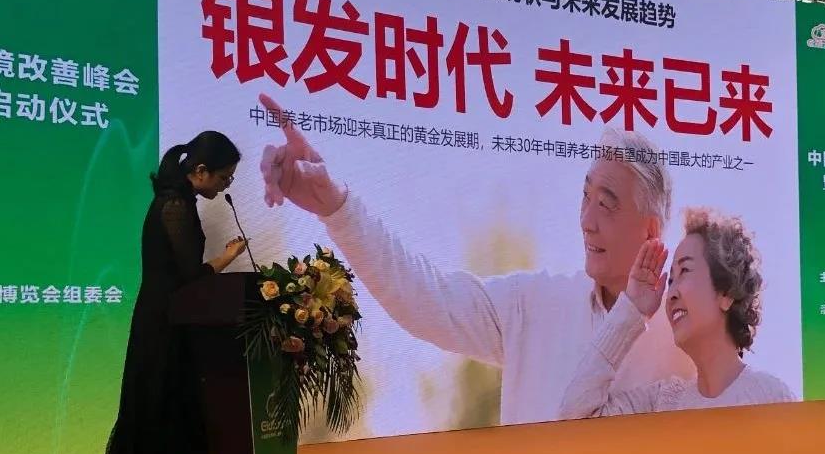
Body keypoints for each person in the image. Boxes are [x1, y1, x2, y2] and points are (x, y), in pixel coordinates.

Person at [258, 93, 694, 425]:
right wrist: (336, 207)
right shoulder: (533, 306)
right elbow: (426, 299)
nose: (586, 221)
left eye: (607, 204)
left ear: (651, 230)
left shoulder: (689, 336)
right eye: (585, 197)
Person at [103, 131, 248, 454]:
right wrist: (225, 259)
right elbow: (187, 277)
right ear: (200, 171)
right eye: (224, 177)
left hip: (174, 325)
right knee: (150, 431)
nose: (226, 185)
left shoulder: (182, 201)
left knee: (167, 431)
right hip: (159, 328)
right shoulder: (173, 205)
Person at [558, 208, 795, 418]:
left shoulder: (770, 398)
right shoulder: (664, 402)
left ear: (726, 293)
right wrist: (632, 308)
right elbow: (576, 417)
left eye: (685, 271)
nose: (670, 293)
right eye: (670, 280)